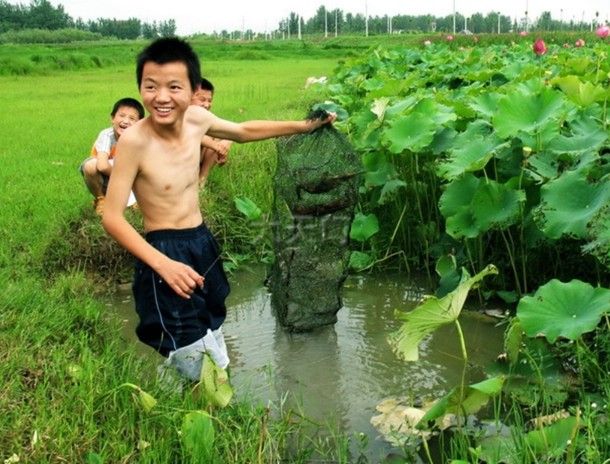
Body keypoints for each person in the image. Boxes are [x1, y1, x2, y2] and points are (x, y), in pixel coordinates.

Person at [102, 37, 335, 382]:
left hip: (201, 240)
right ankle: (203, 397)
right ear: (140, 88)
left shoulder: (196, 119)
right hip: (164, 250)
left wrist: (303, 127)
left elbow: (243, 130)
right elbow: (111, 216)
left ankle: (208, 393)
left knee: (211, 326)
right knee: (186, 342)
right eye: (150, 86)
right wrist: (163, 264)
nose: (161, 97)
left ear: (193, 89)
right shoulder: (134, 142)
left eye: (174, 87)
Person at [80, 98, 145, 215]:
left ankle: (136, 202)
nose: (126, 121)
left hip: (129, 180)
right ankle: (101, 199)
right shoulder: (107, 135)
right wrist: (125, 178)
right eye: (122, 116)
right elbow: (102, 166)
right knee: (90, 166)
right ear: (112, 118)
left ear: (139, 124)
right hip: (107, 179)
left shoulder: (139, 140)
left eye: (132, 118)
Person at [192, 77, 232, 188]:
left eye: (209, 101)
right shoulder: (180, 115)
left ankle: (202, 180)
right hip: (177, 162)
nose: (206, 104)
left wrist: (226, 142)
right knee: (214, 140)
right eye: (202, 100)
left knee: (220, 137)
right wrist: (217, 147)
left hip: (196, 159)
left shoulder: (205, 118)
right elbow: (194, 134)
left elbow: (231, 130)